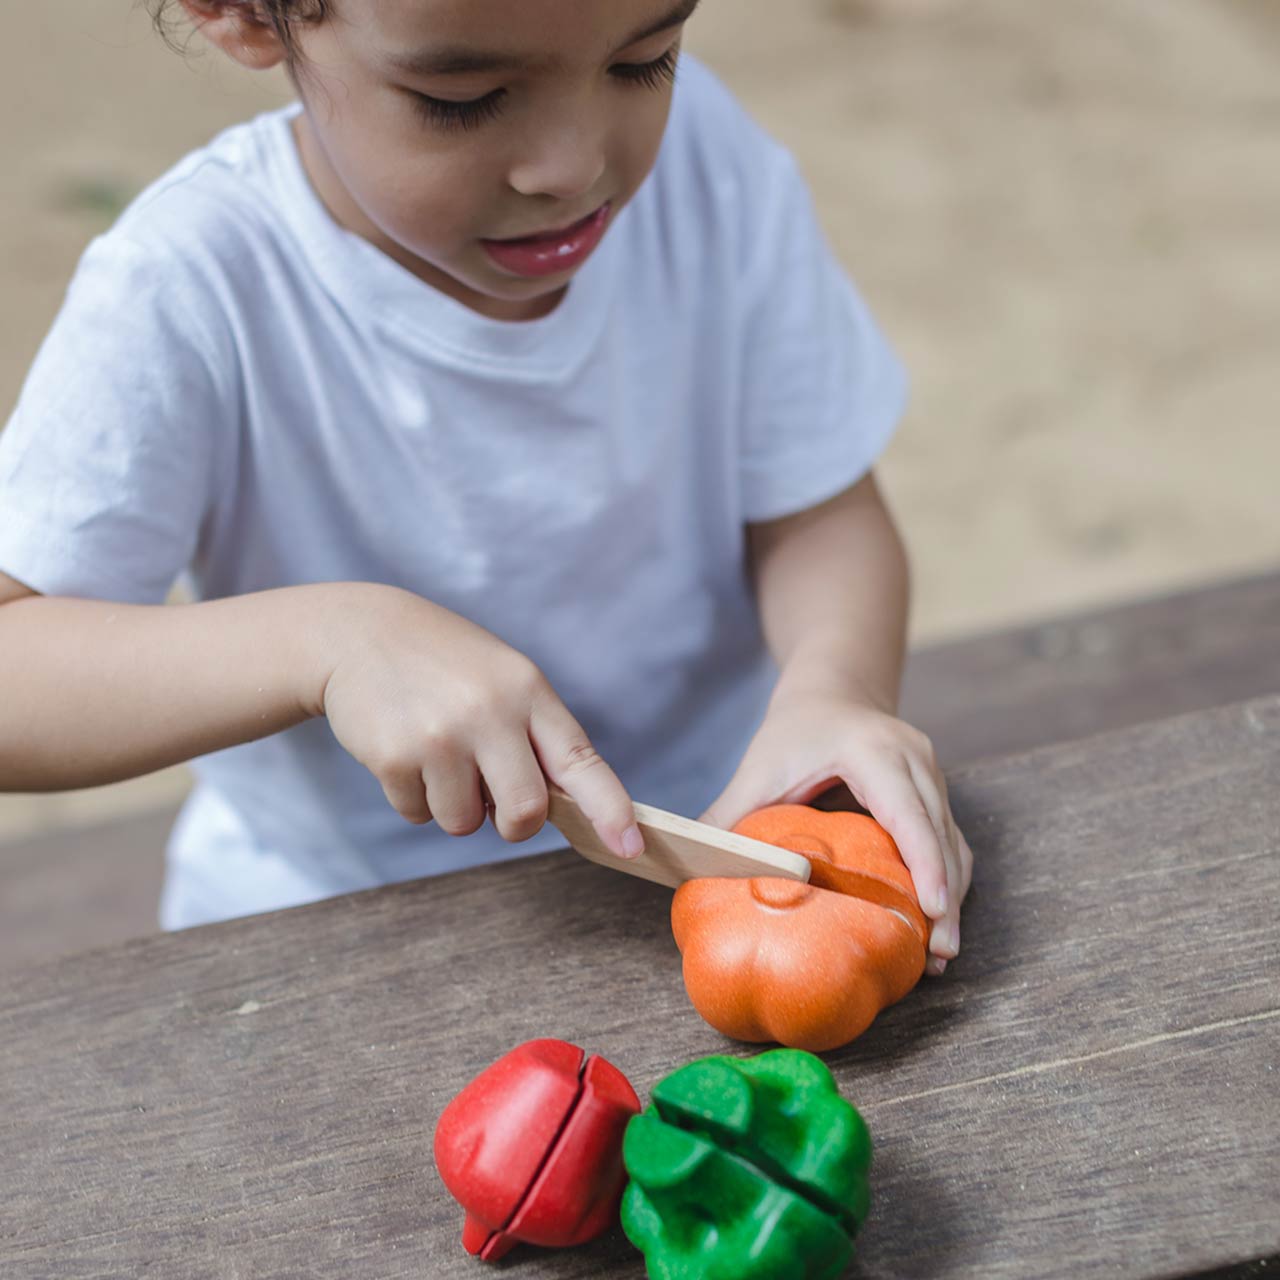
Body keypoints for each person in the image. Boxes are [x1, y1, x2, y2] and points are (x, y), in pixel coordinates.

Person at [0, 0, 971, 972]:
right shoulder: (193, 285)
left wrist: (833, 691)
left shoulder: (705, 159)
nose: (570, 165)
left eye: (642, 62)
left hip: (721, 853)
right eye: (460, 98)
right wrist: (327, 642)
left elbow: (815, 505)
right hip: (340, 936)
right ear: (245, 15)